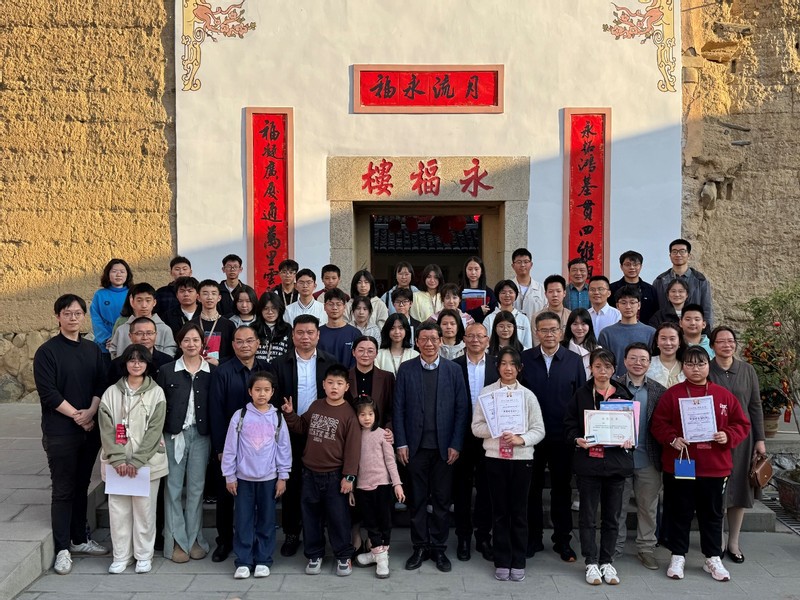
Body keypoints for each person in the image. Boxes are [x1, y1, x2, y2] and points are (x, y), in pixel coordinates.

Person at [650, 346, 750, 582]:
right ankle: (678, 555)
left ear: (708, 365)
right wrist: (672, 439)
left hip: (714, 466)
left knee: (712, 513)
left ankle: (712, 557)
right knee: (679, 510)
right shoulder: (672, 394)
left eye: (701, 364)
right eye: (690, 364)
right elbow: (658, 424)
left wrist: (727, 435)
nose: (695, 369)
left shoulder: (723, 395)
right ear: (683, 367)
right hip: (682, 463)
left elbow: (742, 424)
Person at [34, 294, 110, 575]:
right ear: (58, 316)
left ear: (83, 316)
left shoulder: (92, 350)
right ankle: (62, 548)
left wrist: (91, 412)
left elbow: (101, 383)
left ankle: (79, 539)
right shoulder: (47, 352)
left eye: (78, 313)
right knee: (63, 489)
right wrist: (79, 416)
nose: (73, 317)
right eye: (67, 313)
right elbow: (48, 393)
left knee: (81, 485)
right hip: (61, 432)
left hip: (89, 431)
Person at [393, 322, 469, 573]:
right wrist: (401, 442)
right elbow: (398, 408)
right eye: (424, 339)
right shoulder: (406, 369)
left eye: (433, 339)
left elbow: (461, 409)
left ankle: (438, 547)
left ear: (440, 341)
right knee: (416, 500)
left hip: (444, 448)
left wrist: (456, 443)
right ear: (416, 342)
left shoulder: (453, 370)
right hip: (415, 448)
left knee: (441, 500)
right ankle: (419, 546)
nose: (429, 344)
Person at [472, 347, 546, 582]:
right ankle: (502, 560)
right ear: (497, 367)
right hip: (495, 459)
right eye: (503, 363)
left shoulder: (528, 396)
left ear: (519, 368)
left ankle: (519, 559)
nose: (508, 368)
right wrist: (496, 430)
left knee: (519, 512)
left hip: (522, 460)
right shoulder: (487, 394)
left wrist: (521, 439)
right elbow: (476, 427)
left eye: (513, 364)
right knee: (500, 512)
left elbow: (539, 430)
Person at [281, 364, 362, 577]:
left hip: (335, 475)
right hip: (309, 473)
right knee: (311, 516)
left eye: (339, 383)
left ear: (346, 387)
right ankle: (314, 554)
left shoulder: (349, 414)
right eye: (330, 383)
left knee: (338, 517)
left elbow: (353, 449)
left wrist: (349, 477)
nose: (334, 387)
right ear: (323, 384)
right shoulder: (316, 405)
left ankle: (343, 555)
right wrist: (290, 414)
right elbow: (302, 426)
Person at [564, 348, 634, 586]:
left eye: (607, 367)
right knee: (587, 516)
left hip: (616, 464)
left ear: (614, 369)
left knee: (612, 517)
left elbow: (632, 428)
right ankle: (591, 561)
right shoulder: (581, 394)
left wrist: (629, 439)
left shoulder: (623, 394)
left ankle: (607, 561)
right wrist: (577, 439)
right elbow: (569, 424)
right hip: (589, 464)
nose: (602, 371)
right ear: (590, 368)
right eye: (597, 366)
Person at [521, 312, 587, 561]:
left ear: (561, 332)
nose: (549, 335)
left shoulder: (573, 360)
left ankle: (563, 540)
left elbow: (580, 398)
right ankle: (533, 538)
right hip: (532, 437)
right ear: (536, 333)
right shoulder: (526, 359)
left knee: (561, 489)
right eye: (544, 330)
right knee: (532, 489)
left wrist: (577, 433)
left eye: (553, 330)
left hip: (563, 436)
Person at [271, 315, 338, 557]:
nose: (305, 337)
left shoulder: (330, 361)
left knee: (321, 485)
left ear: (318, 335)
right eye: (300, 332)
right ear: (293, 335)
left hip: (322, 433)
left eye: (310, 332)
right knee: (292, 484)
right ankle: (291, 533)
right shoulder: (279, 364)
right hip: (290, 431)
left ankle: (319, 534)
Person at [98, 344, 167, 574]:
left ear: (147, 364)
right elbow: (106, 429)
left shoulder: (156, 392)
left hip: (146, 464)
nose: (136, 364)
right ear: (125, 363)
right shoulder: (111, 393)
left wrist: (137, 461)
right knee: (118, 511)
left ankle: (144, 556)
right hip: (116, 464)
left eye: (141, 360)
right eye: (132, 360)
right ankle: (121, 556)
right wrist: (118, 460)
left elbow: (155, 429)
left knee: (145, 511)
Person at [207, 325, 271, 563]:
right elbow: (215, 411)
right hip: (230, 446)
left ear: (258, 343)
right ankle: (224, 541)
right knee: (226, 496)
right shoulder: (222, 372)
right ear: (233, 344)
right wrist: (220, 449)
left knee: (258, 497)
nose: (245, 345)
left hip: (261, 447)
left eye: (250, 340)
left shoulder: (267, 369)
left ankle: (257, 542)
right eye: (240, 341)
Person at [222, 371, 291, 579]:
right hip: (243, 478)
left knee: (267, 520)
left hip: (269, 478)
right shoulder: (240, 416)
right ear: (250, 391)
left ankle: (263, 559)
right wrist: (229, 475)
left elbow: (284, 448)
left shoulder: (277, 417)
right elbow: (230, 448)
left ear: (272, 392)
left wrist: (283, 476)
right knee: (243, 520)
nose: (262, 394)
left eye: (266, 390)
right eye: (258, 390)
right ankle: (243, 560)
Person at [157, 323, 214, 564]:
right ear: (179, 343)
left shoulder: (211, 371)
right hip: (173, 436)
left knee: (196, 489)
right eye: (186, 340)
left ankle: (194, 539)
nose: (191, 344)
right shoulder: (167, 371)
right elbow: (158, 406)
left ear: (202, 343)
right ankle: (175, 542)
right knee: (172, 489)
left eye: (196, 340)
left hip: (201, 436)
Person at [708, 326, 765, 563]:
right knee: (717, 489)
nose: (727, 345)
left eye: (730, 341)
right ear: (712, 345)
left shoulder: (747, 370)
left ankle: (734, 541)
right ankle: (718, 539)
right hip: (714, 439)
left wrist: (760, 439)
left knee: (739, 488)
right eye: (721, 341)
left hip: (742, 439)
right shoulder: (706, 369)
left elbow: (755, 406)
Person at [613, 343, 667, 569]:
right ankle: (614, 546)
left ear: (649, 363)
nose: (638, 363)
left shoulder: (658, 391)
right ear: (625, 361)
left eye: (643, 359)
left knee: (648, 507)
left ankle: (646, 548)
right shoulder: (612, 386)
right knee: (617, 506)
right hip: (618, 459)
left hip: (648, 459)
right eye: (633, 358)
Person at [453, 323, 498, 562]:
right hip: (461, 435)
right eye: (470, 336)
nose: (475, 340)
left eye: (480, 336)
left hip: (490, 436)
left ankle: (483, 537)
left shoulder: (497, 365)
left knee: (487, 489)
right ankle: (463, 537)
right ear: (464, 339)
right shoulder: (454, 366)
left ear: (488, 340)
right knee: (461, 489)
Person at [353, 397, 405, 579]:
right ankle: (377, 553)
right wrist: (351, 488)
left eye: (370, 414)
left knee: (385, 521)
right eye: (362, 415)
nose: (367, 418)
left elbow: (391, 462)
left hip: (382, 485)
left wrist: (397, 484)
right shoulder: (355, 436)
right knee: (370, 522)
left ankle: (381, 559)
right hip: (362, 487)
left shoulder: (383, 434)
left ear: (376, 414)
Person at [652, 238, 714, 329]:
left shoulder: (700, 280)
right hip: (666, 331)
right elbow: (654, 309)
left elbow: (707, 310)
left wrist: (707, 332)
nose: (678, 255)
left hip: (693, 330)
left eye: (682, 251)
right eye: (674, 252)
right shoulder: (660, 281)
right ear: (670, 255)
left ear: (689, 255)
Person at [597, 285, 656, 377]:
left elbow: (654, 362)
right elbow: (603, 363)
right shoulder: (606, 333)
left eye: (632, 302)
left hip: (644, 382)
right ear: (617, 306)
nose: (628, 306)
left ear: (639, 305)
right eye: (623, 303)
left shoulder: (651, 333)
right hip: (614, 382)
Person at [109, 283, 176, 358]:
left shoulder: (165, 329)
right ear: (132, 302)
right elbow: (113, 351)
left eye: (148, 300)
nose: (144, 305)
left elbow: (170, 354)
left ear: (154, 302)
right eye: (139, 300)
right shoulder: (121, 330)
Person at [107, 316, 173, 386]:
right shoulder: (118, 364)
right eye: (139, 333)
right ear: (130, 336)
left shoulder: (167, 362)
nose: (145, 337)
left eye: (149, 333)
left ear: (156, 335)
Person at [91, 258, 133, 365]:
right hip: (105, 346)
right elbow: (96, 319)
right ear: (108, 274)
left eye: (122, 271)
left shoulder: (133, 294)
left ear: (127, 274)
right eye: (114, 271)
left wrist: (122, 338)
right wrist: (107, 338)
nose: (118, 274)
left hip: (128, 344)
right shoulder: (100, 294)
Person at [348, 336, 395, 430]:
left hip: (379, 431)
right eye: (361, 350)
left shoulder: (387, 377)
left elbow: (392, 408)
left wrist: (389, 428)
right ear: (353, 352)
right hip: (350, 431)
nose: (365, 354)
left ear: (376, 353)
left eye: (370, 351)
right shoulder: (345, 377)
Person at [192, 279, 236, 365]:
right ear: (198, 297)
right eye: (205, 293)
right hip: (196, 367)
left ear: (219, 298)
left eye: (213, 293)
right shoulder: (191, 325)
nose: (210, 297)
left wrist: (219, 362)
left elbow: (234, 352)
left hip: (221, 369)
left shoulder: (229, 325)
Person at [609, 251, 659, 325]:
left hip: (646, 329)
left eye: (635, 264)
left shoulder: (650, 289)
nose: (632, 267)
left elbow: (656, 312)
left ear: (641, 266)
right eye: (628, 265)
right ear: (621, 267)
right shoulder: (612, 288)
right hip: (618, 328)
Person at [483, 280, 533, 349]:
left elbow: (528, 345)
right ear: (497, 295)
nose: (507, 295)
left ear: (516, 294)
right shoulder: (489, 318)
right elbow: (485, 344)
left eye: (510, 292)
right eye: (503, 292)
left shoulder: (523, 318)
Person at [319, 288, 362, 368]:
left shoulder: (355, 334)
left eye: (338, 304)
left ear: (344, 307)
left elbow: (357, 361)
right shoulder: (318, 333)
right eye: (331, 304)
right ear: (324, 307)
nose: (334, 308)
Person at [254, 292, 292, 363]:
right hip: (257, 368)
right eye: (266, 308)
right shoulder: (253, 328)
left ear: (279, 309)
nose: (270, 312)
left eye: (274, 308)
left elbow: (290, 352)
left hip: (280, 367)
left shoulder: (287, 328)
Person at [646, 322, 686, 388]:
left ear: (679, 341)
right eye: (663, 338)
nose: (668, 343)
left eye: (672, 339)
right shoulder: (647, 364)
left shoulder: (687, 365)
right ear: (657, 341)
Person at [510, 248, 545, 321]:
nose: (522, 265)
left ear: (531, 264)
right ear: (513, 266)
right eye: (519, 262)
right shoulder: (507, 288)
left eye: (526, 262)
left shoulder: (541, 289)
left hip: (535, 327)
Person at [562, 308, 599, 379]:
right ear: (569, 326)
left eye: (583, 324)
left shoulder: (596, 350)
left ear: (589, 326)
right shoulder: (561, 347)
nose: (579, 328)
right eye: (575, 324)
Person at [459, 255, 497, 324]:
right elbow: (458, 314)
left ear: (481, 271)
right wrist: (479, 311)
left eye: (476, 269)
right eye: (470, 269)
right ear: (465, 271)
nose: (473, 272)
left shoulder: (489, 293)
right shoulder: (458, 292)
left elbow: (493, 314)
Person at [155, 256, 192, 322]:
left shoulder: (198, 291)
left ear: (190, 272)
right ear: (171, 273)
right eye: (177, 269)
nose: (181, 272)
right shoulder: (161, 292)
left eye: (184, 269)